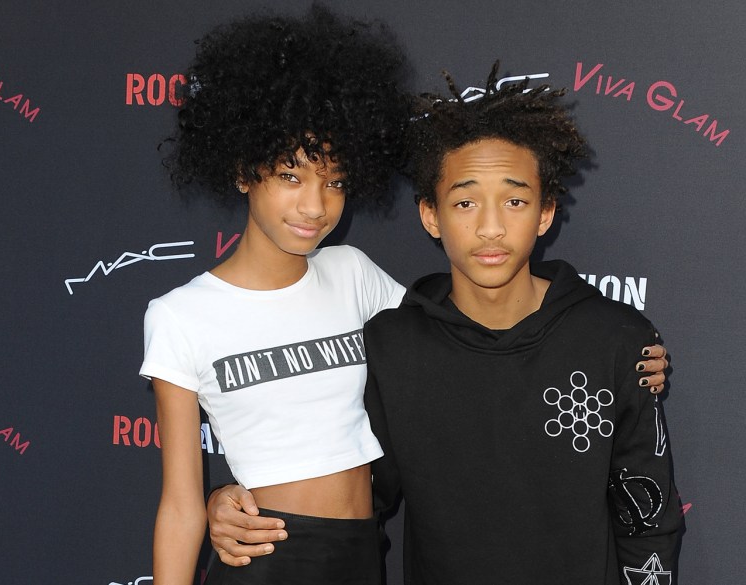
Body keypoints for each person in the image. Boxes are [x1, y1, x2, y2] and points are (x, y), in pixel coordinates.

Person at [206, 64, 679, 584]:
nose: (491, 226)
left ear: (545, 213)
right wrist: (237, 503)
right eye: (465, 202)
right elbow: (359, 493)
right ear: (431, 215)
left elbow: (649, 520)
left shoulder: (616, 340)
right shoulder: (394, 343)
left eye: (515, 201)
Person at [139, 7, 410, 585]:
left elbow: (460, 345)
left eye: (334, 179)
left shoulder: (353, 274)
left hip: (364, 554)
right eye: (291, 175)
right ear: (243, 170)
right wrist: (215, 503)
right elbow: (180, 504)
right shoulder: (179, 317)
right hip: (264, 560)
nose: (316, 205)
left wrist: (606, 345)